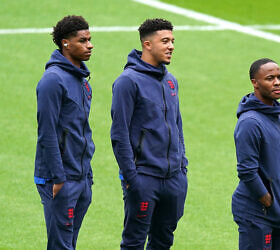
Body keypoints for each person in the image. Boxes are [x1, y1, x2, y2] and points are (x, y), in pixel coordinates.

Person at [110, 18, 188, 249]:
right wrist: (132, 178)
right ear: (147, 44)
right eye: (165, 41)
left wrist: (182, 168)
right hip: (144, 179)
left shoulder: (170, 81)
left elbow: (177, 126)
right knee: (134, 243)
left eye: (172, 41)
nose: (171, 46)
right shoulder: (127, 82)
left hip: (174, 179)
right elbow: (119, 134)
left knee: (163, 242)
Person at [34, 15, 94, 249]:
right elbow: (47, 133)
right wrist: (58, 178)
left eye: (90, 39)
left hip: (81, 178)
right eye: (83, 40)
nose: (90, 45)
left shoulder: (81, 80)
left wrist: (87, 175)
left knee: (69, 243)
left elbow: (82, 130)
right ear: (65, 43)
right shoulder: (52, 81)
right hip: (58, 179)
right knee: (61, 245)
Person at [231, 58, 280, 250]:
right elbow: (247, 171)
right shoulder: (250, 122)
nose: (277, 82)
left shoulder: (279, 115)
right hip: (257, 213)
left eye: (279, 77)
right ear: (254, 82)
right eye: (269, 78)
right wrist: (268, 200)